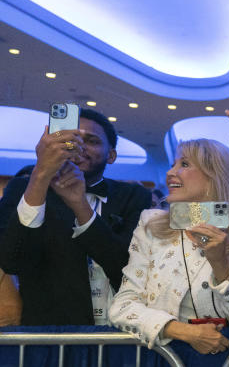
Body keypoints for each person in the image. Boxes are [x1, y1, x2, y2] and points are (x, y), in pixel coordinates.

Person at [0, 108, 151, 325]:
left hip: (121, 334)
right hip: (49, 337)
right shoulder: (24, 189)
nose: (79, 147)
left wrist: (79, 205)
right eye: (71, 139)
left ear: (111, 155)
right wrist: (40, 176)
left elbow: (125, 267)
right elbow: (11, 261)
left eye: (91, 141)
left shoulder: (133, 196)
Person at [108, 140, 229, 352]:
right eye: (173, 164)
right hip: (163, 360)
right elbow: (122, 307)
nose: (171, 172)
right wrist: (182, 331)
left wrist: (220, 264)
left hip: (228, 360)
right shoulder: (151, 223)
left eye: (185, 164)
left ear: (214, 177)